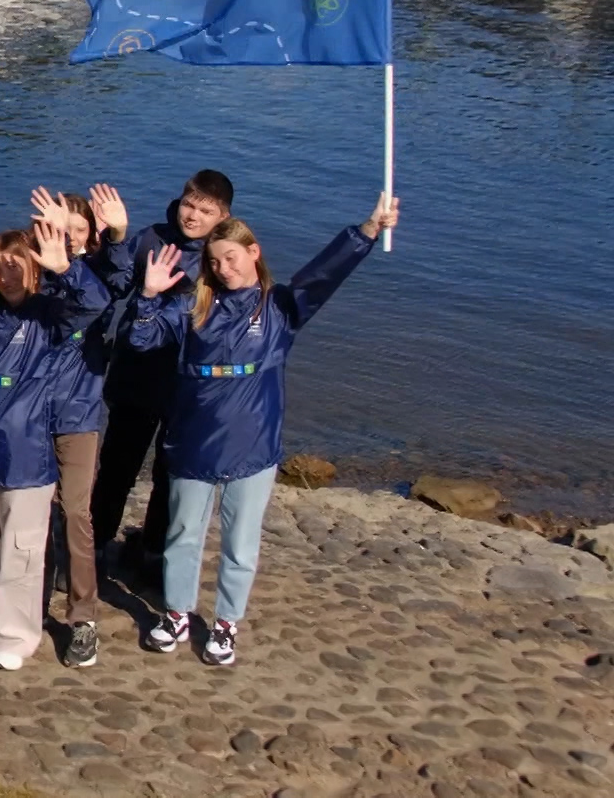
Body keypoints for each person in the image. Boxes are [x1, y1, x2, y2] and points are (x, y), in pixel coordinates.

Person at [132, 196, 399, 665]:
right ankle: (176, 614)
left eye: (230, 258)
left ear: (253, 252)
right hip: (191, 445)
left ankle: (226, 623)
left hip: (253, 447)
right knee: (182, 536)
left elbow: (325, 274)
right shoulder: (191, 307)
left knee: (240, 543)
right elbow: (140, 340)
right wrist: (149, 297)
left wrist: (368, 230)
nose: (223, 268)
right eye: (214, 262)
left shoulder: (280, 308)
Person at [0, 219, 109, 670]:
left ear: (34, 269)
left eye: (15, 266)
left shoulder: (48, 316)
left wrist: (66, 267)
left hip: (26, 452)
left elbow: (95, 304)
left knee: (21, 550)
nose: (5, 275)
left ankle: (13, 635)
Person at [91, 170, 235, 579]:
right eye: (189, 204)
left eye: (205, 210)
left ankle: (153, 551)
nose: (193, 216)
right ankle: (97, 547)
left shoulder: (221, 255)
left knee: (170, 474)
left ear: (222, 214)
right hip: (136, 376)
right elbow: (115, 285)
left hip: (188, 386)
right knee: (118, 467)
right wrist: (113, 239)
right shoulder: (152, 238)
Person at [34, 186, 131, 668]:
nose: (67, 240)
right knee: (30, 516)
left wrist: (117, 234)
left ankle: (82, 617)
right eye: (58, 231)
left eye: (77, 232)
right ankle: (25, 605)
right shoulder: (36, 275)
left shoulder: (95, 278)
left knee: (75, 514)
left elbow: (101, 292)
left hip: (78, 416)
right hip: (30, 413)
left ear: (89, 238)